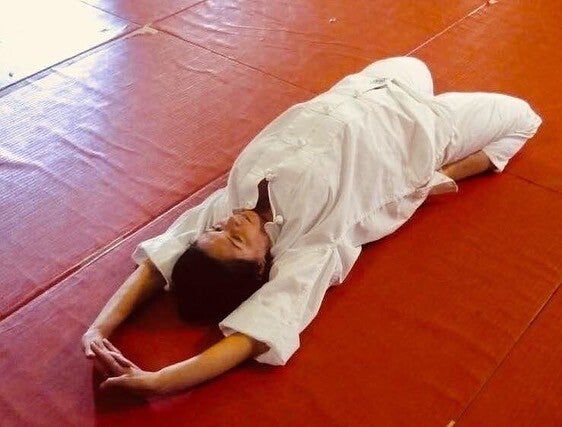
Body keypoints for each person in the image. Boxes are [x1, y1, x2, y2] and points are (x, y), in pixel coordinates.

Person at [82, 57, 542, 396]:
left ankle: (428, 176)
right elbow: (255, 332)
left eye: (217, 230)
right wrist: (162, 381)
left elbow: (157, 263)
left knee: (416, 64)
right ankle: (435, 177)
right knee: (524, 117)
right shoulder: (309, 245)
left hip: (368, 87)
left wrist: (99, 329)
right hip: (425, 128)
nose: (230, 223)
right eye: (236, 239)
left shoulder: (229, 206)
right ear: (260, 267)